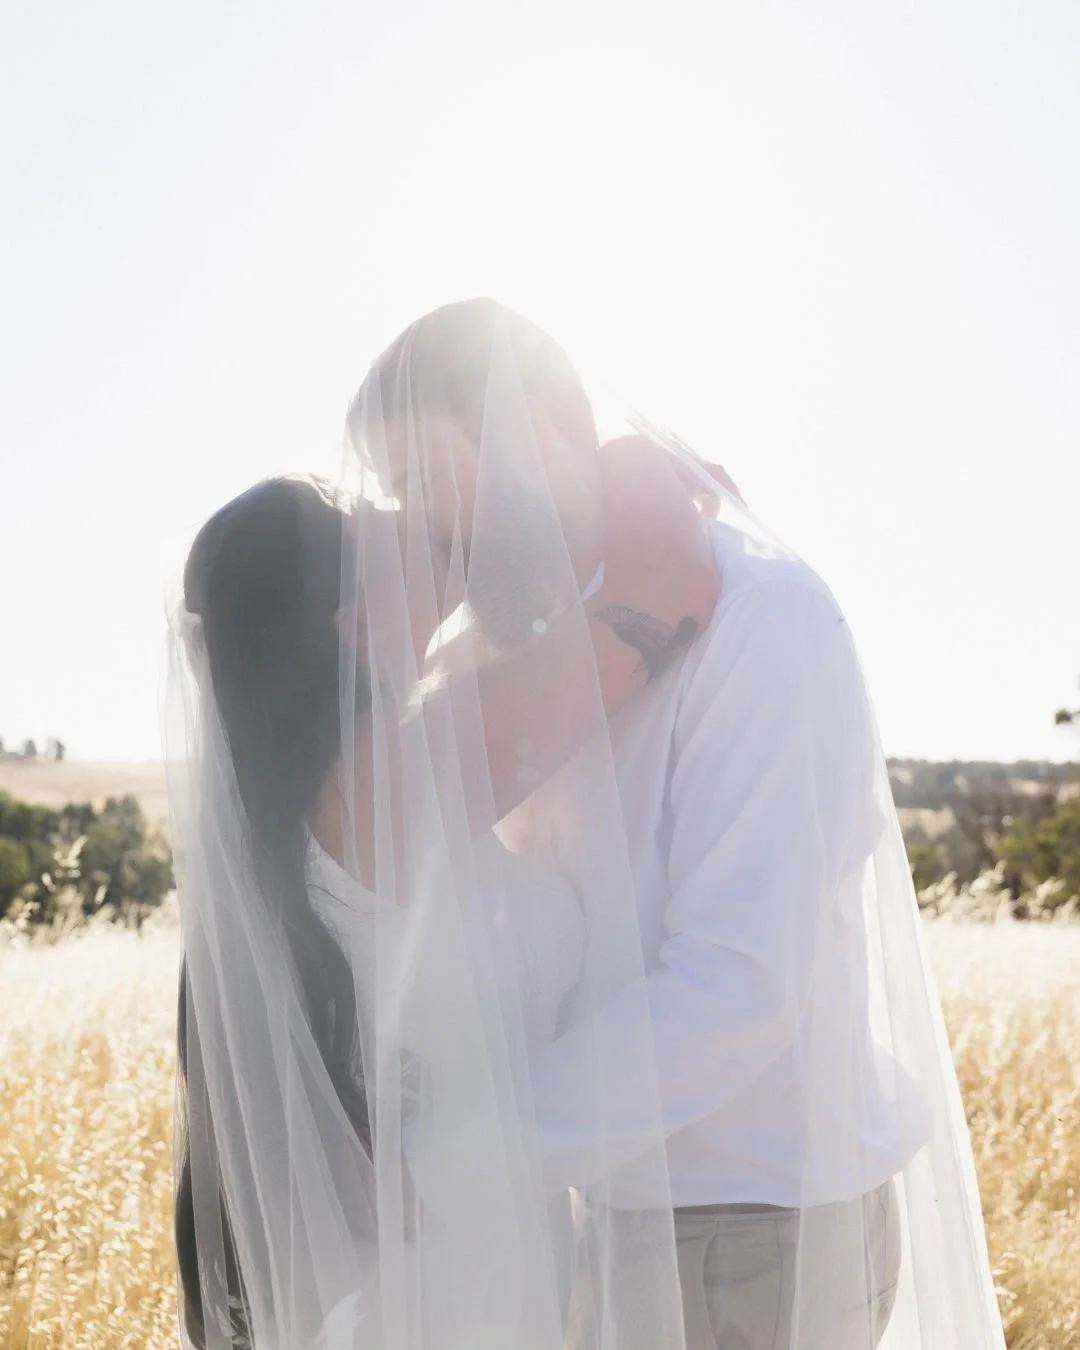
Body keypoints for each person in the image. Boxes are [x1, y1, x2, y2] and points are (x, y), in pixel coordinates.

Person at [342, 298, 1007, 1350]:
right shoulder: (554, 654)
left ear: (545, 432)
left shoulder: (764, 622)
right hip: (618, 1216)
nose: (419, 519)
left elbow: (737, 986)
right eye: (396, 493)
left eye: (427, 477)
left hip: (755, 1232)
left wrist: (457, 1160)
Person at [169, 469, 717, 1350]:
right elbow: (671, 590)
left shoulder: (332, 788)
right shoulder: (395, 775)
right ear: (351, 621)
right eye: (377, 525)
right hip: (449, 1291)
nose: (411, 520)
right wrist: (634, 468)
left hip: (451, 1270)